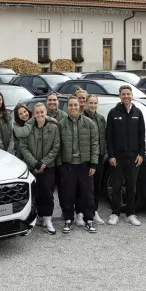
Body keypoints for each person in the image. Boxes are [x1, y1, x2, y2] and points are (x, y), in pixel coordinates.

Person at [56, 96, 100, 234]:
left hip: (84, 165)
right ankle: (68, 219)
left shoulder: (89, 123)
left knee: (87, 194)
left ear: (80, 106)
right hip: (68, 166)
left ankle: (89, 220)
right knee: (68, 194)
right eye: (70, 105)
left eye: (75, 105)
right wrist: (60, 166)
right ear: (67, 107)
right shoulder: (61, 124)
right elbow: (57, 146)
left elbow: (95, 144)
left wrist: (93, 164)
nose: (73, 107)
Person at [16, 103, 60, 234]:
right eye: (37, 112)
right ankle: (36, 217)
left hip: (48, 166)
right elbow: (23, 147)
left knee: (47, 193)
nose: (40, 114)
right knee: (34, 193)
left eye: (42, 112)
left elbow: (56, 147)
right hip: (33, 167)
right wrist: (35, 164)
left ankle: (48, 219)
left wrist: (43, 163)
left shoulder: (53, 127)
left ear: (45, 112)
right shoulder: (28, 128)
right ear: (33, 114)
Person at [105, 85, 145, 226]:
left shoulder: (138, 113)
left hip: (134, 157)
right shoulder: (113, 113)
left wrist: (141, 154)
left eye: (128, 94)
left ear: (132, 95)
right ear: (120, 96)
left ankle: (131, 214)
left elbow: (142, 136)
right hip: (118, 157)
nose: (126, 96)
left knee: (131, 186)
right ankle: (115, 213)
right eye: (123, 94)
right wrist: (111, 155)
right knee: (116, 186)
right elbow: (109, 137)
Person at [81, 95, 107, 225]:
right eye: (90, 103)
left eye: (95, 103)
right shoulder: (81, 118)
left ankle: (94, 211)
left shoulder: (101, 118)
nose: (93, 105)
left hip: (99, 156)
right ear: (86, 103)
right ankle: (82, 212)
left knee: (97, 186)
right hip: (86, 158)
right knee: (86, 188)